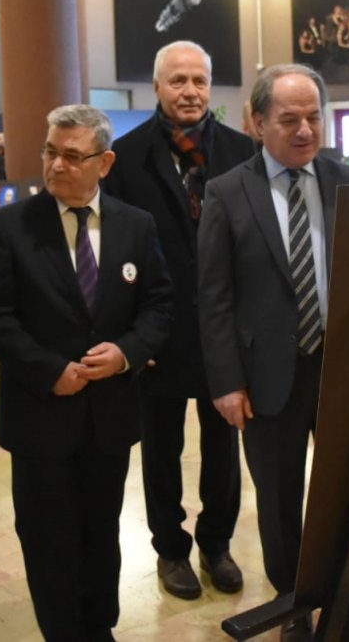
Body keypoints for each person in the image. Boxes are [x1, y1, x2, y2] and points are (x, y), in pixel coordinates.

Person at [0, 104, 172, 641]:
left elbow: (159, 304)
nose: (57, 166)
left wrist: (126, 352)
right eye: (50, 152)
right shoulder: (8, 227)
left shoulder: (135, 225)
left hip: (109, 416)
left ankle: (99, 625)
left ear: (104, 163)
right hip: (39, 416)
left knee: (100, 530)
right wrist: (48, 370)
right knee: (46, 535)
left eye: (73, 156)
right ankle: (62, 631)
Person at [198, 65, 349, 642]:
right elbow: (214, 297)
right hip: (268, 376)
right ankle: (293, 607)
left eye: (313, 117)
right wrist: (227, 381)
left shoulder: (348, 177)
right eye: (289, 119)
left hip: (342, 371)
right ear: (257, 123)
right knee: (280, 503)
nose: (304, 130)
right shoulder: (227, 192)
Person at [102, 41, 255, 599]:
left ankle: (217, 545)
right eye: (177, 81)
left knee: (223, 448)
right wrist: (130, 336)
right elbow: (115, 247)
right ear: (157, 87)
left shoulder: (243, 152)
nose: (189, 91)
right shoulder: (125, 157)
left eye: (199, 81)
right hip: (156, 333)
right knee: (160, 449)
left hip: (224, 330)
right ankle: (171, 549)